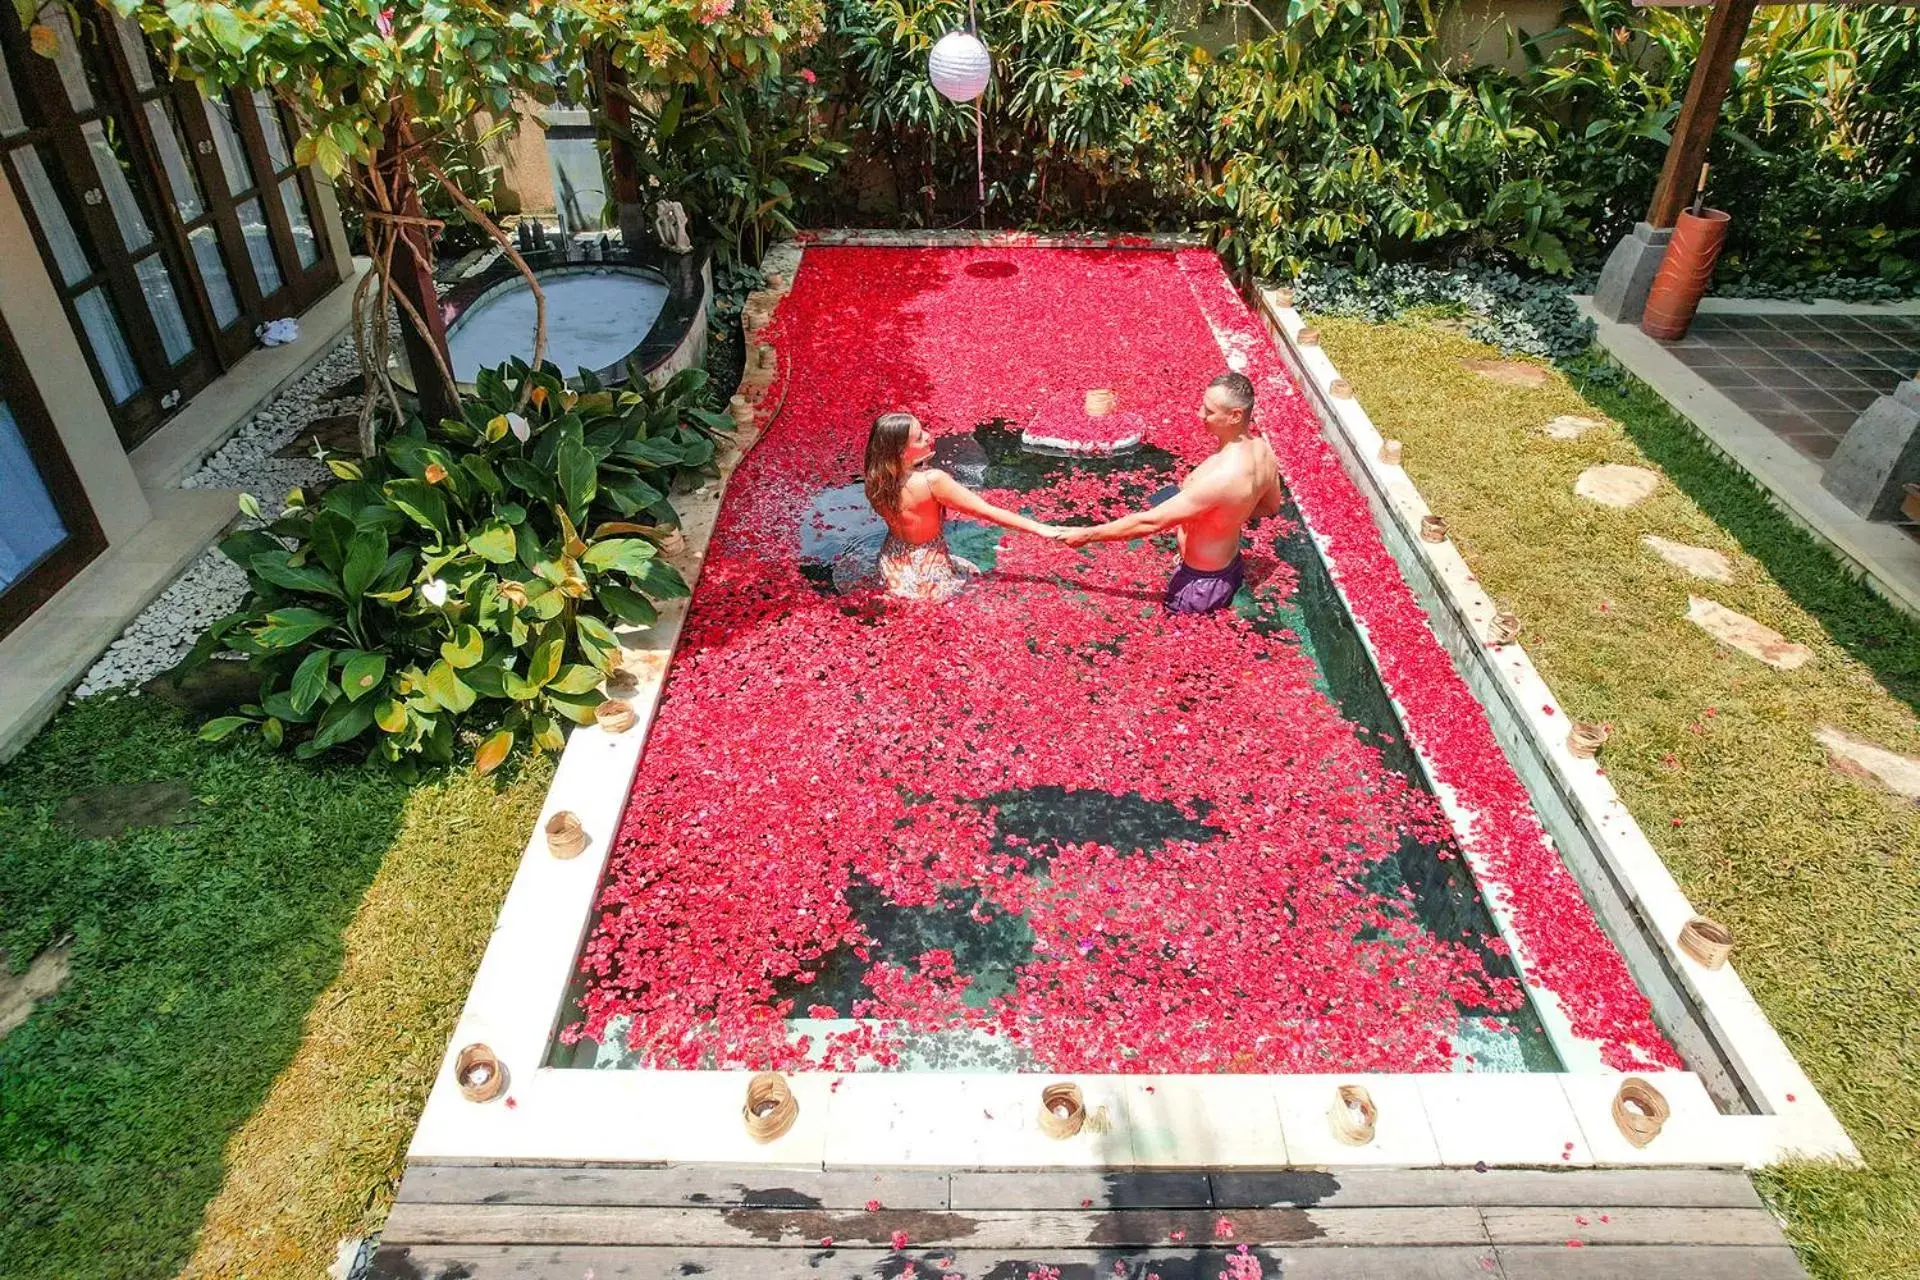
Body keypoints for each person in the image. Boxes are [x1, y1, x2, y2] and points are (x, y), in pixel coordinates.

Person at [1062, 371, 1281, 614]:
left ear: (1235, 416)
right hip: (1229, 567)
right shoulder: (1263, 451)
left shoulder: (1222, 477)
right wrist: (1223, 518)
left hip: (1199, 586)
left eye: (1209, 411)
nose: (1200, 414)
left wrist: (1087, 535)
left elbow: (1150, 522)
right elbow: (1270, 507)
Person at [862, 411, 1062, 601]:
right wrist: (1041, 528)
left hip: (890, 566)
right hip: (929, 573)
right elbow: (986, 511)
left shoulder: (876, 481)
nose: (928, 436)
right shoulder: (933, 481)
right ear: (902, 452)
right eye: (919, 437)